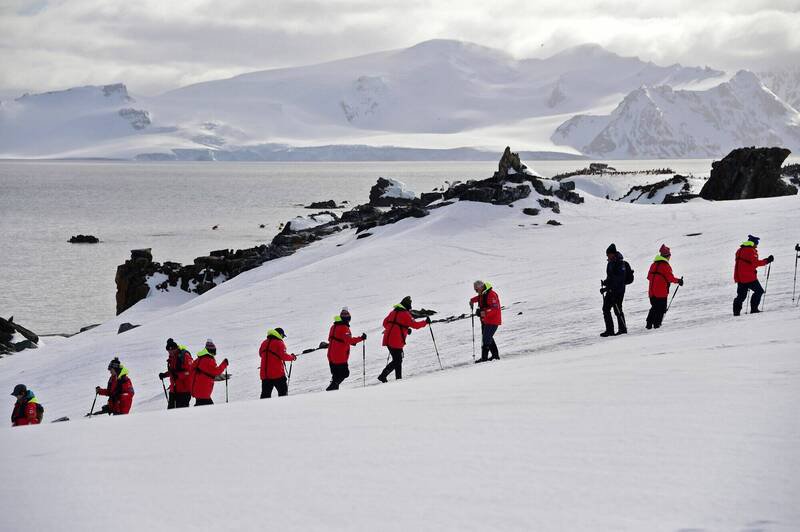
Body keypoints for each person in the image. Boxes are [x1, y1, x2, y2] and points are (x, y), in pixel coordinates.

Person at [378, 296, 429, 383]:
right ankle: (383, 375)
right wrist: (425, 322)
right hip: (396, 341)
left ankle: (398, 378)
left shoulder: (393, 312)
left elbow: (385, 323)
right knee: (398, 360)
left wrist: (399, 328)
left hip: (387, 339)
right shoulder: (405, 314)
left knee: (397, 359)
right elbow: (415, 325)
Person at [326, 308, 366, 391]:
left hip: (331, 355)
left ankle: (333, 391)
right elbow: (349, 340)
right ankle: (332, 387)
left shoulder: (333, 326)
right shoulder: (344, 327)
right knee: (345, 373)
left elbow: (330, 339)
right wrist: (361, 338)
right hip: (339, 356)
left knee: (335, 375)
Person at [733, 235, 774, 316]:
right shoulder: (751, 251)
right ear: (753, 243)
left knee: (741, 296)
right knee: (759, 291)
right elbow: (755, 263)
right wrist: (767, 261)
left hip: (739, 277)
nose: (757, 246)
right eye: (756, 244)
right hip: (749, 277)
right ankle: (754, 309)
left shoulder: (739, 250)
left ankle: (736, 312)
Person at [645, 244, 683, 329]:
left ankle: (649, 324)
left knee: (654, 307)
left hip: (651, 292)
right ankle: (657, 326)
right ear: (667, 256)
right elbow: (670, 278)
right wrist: (679, 281)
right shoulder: (665, 266)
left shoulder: (653, 265)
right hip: (661, 293)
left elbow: (649, 277)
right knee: (661, 309)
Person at [600, 243, 629, 337]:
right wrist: (605, 283)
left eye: (608, 254)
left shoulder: (620, 263)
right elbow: (610, 277)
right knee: (606, 309)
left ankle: (623, 329)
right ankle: (610, 330)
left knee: (617, 309)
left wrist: (608, 287)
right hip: (611, 290)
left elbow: (619, 279)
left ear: (613, 253)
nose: (607, 256)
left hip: (618, 291)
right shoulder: (610, 263)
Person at [470, 280, 502, 362]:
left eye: (476, 289)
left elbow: (495, 308)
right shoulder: (483, 293)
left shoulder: (491, 294)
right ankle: (495, 356)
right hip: (486, 320)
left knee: (486, 338)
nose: (476, 291)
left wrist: (483, 313)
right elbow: (479, 298)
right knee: (488, 338)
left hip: (493, 320)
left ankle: (484, 358)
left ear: (481, 287)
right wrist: (472, 300)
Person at [259, 328, 297, 398]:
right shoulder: (279, 343)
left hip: (265, 375)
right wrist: (292, 357)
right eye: (283, 336)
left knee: (265, 396)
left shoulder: (264, 343)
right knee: (283, 394)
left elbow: (261, 354)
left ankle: (263, 408)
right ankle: (283, 408)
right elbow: (283, 356)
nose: (283, 338)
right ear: (280, 334)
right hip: (277, 374)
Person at [191, 339, 229, 406]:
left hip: (198, 389)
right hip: (203, 390)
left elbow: (191, 369)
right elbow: (216, 372)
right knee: (208, 409)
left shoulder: (199, 359)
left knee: (201, 406)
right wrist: (224, 364)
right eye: (214, 351)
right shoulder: (208, 360)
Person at [158, 338, 194, 409]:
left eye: (171, 350)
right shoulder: (172, 358)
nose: (169, 352)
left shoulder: (185, 356)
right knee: (171, 412)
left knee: (181, 413)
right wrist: (164, 375)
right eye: (168, 351)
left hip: (184, 390)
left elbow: (190, 372)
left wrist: (178, 375)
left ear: (175, 348)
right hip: (173, 390)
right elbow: (173, 372)